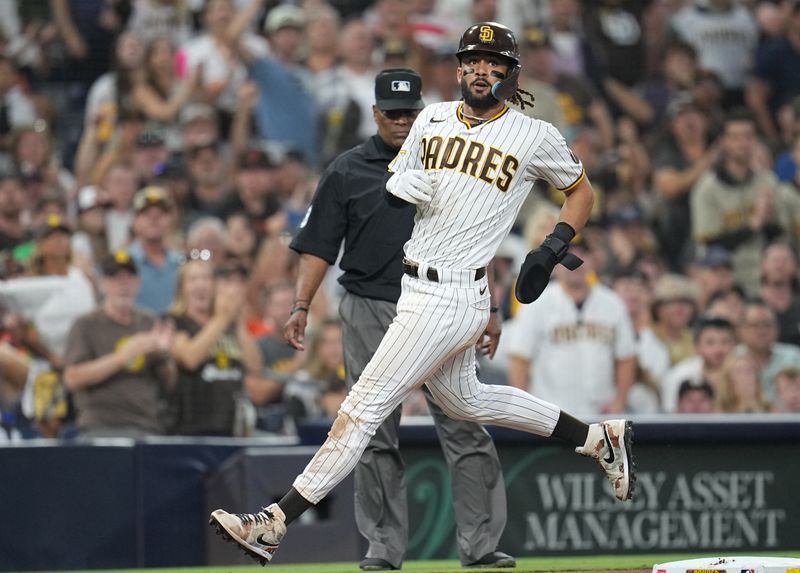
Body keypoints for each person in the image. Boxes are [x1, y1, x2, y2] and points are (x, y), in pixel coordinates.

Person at [209, 22, 635, 565]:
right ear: (459, 69)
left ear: (511, 73)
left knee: (361, 409)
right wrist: (399, 183)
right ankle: (599, 438)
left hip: (453, 296)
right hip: (418, 285)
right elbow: (404, 176)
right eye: (472, 61)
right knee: (467, 401)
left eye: (493, 62)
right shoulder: (431, 117)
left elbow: (581, 193)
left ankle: (274, 521)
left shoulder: (534, 134)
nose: (481, 70)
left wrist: (551, 246)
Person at [278, 68, 514, 570]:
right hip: (371, 306)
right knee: (370, 432)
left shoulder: (451, 159)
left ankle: (482, 546)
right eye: (394, 112)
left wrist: (490, 307)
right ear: (376, 113)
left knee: (466, 424)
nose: (403, 121)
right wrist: (301, 305)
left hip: (445, 304)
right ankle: (383, 550)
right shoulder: (346, 170)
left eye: (411, 111)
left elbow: (478, 241)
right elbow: (318, 245)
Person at [507, 238, 637, 415]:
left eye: (583, 254)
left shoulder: (612, 304)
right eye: (568, 256)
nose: (576, 262)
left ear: (593, 261)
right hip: (551, 414)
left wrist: (620, 401)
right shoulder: (537, 303)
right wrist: (525, 408)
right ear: (556, 264)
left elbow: (626, 357)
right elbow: (520, 359)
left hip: (600, 414)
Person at [63, 250, 176, 438]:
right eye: (115, 278)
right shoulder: (86, 325)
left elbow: (169, 383)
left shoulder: (149, 322)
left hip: (147, 425)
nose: (124, 285)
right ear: (103, 284)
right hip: (100, 426)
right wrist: (123, 357)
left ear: (138, 283)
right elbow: (72, 378)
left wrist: (163, 355)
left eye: (129, 278)